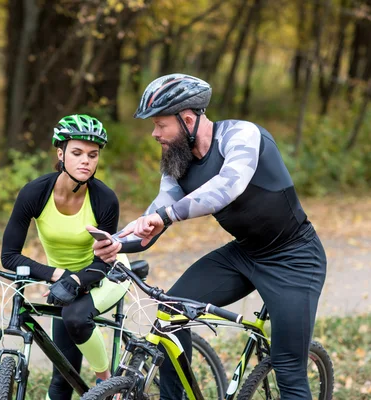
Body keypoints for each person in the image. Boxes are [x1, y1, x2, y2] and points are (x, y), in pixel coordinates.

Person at [94, 74, 327, 400]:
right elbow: (158, 212)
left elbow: (227, 188)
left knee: (288, 369)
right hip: (245, 254)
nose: (154, 133)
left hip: (295, 259)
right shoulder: (178, 159)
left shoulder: (241, 135)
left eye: (161, 125)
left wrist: (164, 217)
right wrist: (118, 241)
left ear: (187, 119)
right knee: (171, 314)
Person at [1, 114, 130, 400]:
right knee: (62, 376)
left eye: (93, 155)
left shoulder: (104, 199)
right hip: (65, 282)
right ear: (60, 154)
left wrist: (76, 280)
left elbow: (103, 260)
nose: (86, 160)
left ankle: (106, 383)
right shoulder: (35, 193)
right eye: (77, 153)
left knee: (75, 315)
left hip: (107, 272)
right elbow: (9, 256)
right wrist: (57, 275)